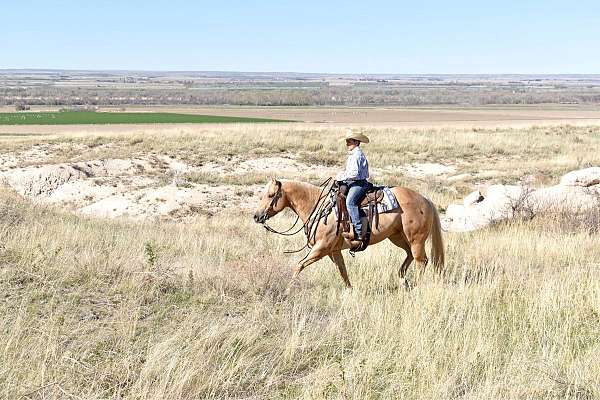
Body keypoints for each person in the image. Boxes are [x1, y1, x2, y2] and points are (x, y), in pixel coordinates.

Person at [336, 128, 371, 244]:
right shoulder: (353, 154)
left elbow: (354, 173)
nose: (347, 143)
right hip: (354, 182)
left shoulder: (356, 155)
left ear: (356, 142)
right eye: (347, 141)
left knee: (350, 202)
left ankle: (358, 232)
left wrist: (342, 177)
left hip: (359, 184)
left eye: (349, 141)